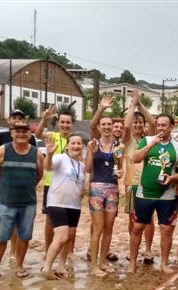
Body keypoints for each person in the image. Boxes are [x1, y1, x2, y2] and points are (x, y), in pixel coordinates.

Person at [0, 120, 43, 280]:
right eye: (17, 131)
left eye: (25, 131)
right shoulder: (2, 151)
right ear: (12, 133)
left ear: (30, 133)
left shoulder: (36, 153)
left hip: (28, 203)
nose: (21, 134)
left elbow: (39, 175)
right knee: (0, 237)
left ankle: (19, 265)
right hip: (5, 203)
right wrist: (4, 187)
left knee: (24, 237)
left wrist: (26, 187)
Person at [129, 113, 178, 273]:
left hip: (166, 195)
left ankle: (164, 263)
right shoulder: (147, 140)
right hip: (144, 193)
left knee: (166, 229)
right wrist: (150, 145)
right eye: (159, 125)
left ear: (171, 127)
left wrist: (172, 177)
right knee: (137, 227)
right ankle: (132, 263)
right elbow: (135, 158)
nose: (161, 128)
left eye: (164, 125)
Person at [0, 109, 37, 261]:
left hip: (24, 189)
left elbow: (38, 168)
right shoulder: (0, 137)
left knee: (18, 222)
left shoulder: (29, 139)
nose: (17, 120)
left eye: (20, 118)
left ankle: (13, 251)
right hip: (2, 186)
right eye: (14, 118)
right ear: (8, 120)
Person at [40, 134, 85, 280]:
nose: (76, 146)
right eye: (73, 143)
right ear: (67, 146)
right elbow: (48, 167)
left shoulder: (81, 166)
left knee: (69, 238)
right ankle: (47, 268)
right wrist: (50, 153)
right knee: (61, 236)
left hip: (74, 205)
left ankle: (61, 266)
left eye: (79, 144)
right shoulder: (60, 158)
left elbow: (81, 183)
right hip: (57, 202)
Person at [35, 105, 75, 262]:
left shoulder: (74, 140)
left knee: (71, 221)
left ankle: (69, 252)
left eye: (68, 122)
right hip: (51, 185)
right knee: (50, 220)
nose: (65, 125)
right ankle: (47, 249)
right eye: (62, 122)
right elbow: (37, 134)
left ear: (72, 124)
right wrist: (45, 119)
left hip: (69, 185)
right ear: (58, 123)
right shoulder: (52, 136)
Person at [85, 115, 123, 277]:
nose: (107, 127)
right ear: (99, 127)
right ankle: (94, 265)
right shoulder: (94, 144)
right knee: (98, 228)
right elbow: (87, 169)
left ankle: (102, 261)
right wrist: (92, 153)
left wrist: (120, 172)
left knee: (109, 228)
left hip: (112, 188)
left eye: (110, 124)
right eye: (104, 124)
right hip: (96, 189)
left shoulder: (118, 146)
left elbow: (119, 168)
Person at [122, 91, 157, 264]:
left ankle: (148, 250)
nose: (137, 125)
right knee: (133, 219)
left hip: (147, 185)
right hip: (131, 184)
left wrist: (140, 104)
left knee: (149, 219)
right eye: (135, 122)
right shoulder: (127, 139)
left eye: (139, 123)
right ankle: (133, 249)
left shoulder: (148, 138)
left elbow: (152, 122)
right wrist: (132, 105)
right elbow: (126, 126)